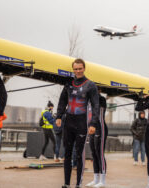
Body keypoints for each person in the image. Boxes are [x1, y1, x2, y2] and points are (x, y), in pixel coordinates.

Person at [56, 58, 99, 188]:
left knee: (79, 154)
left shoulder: (90, 85)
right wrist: (58, 116)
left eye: (80, 68)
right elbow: (62, 101)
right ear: (73, 69)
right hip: (68, 122)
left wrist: (93, 124)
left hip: (81, 123)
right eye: (75, 69)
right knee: (67, 154)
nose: (78, 71)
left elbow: (95, 105)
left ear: (84, 68)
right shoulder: (68, 84)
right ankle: (66, 183)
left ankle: (78, 184)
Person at [86, 89, 108, 187]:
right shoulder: (88, 100)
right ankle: (96, 179)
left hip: (100, 128)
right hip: (91, 129)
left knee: (100, 154)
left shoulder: (101, 99)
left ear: (99, 90)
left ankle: (102, 181)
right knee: (93, 154)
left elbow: (99, 115)